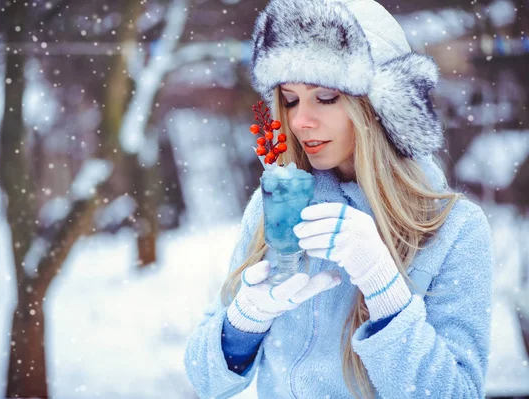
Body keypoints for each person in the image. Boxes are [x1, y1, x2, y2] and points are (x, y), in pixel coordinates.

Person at [183, 0, 494, 397]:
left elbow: (458, 392)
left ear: (380, 107)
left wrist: (385, 290)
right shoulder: (275, 207)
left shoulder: (454, 228)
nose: (299, 121)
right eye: (291, 100)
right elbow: (204, 379)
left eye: (325, 97)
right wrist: (243, 323)